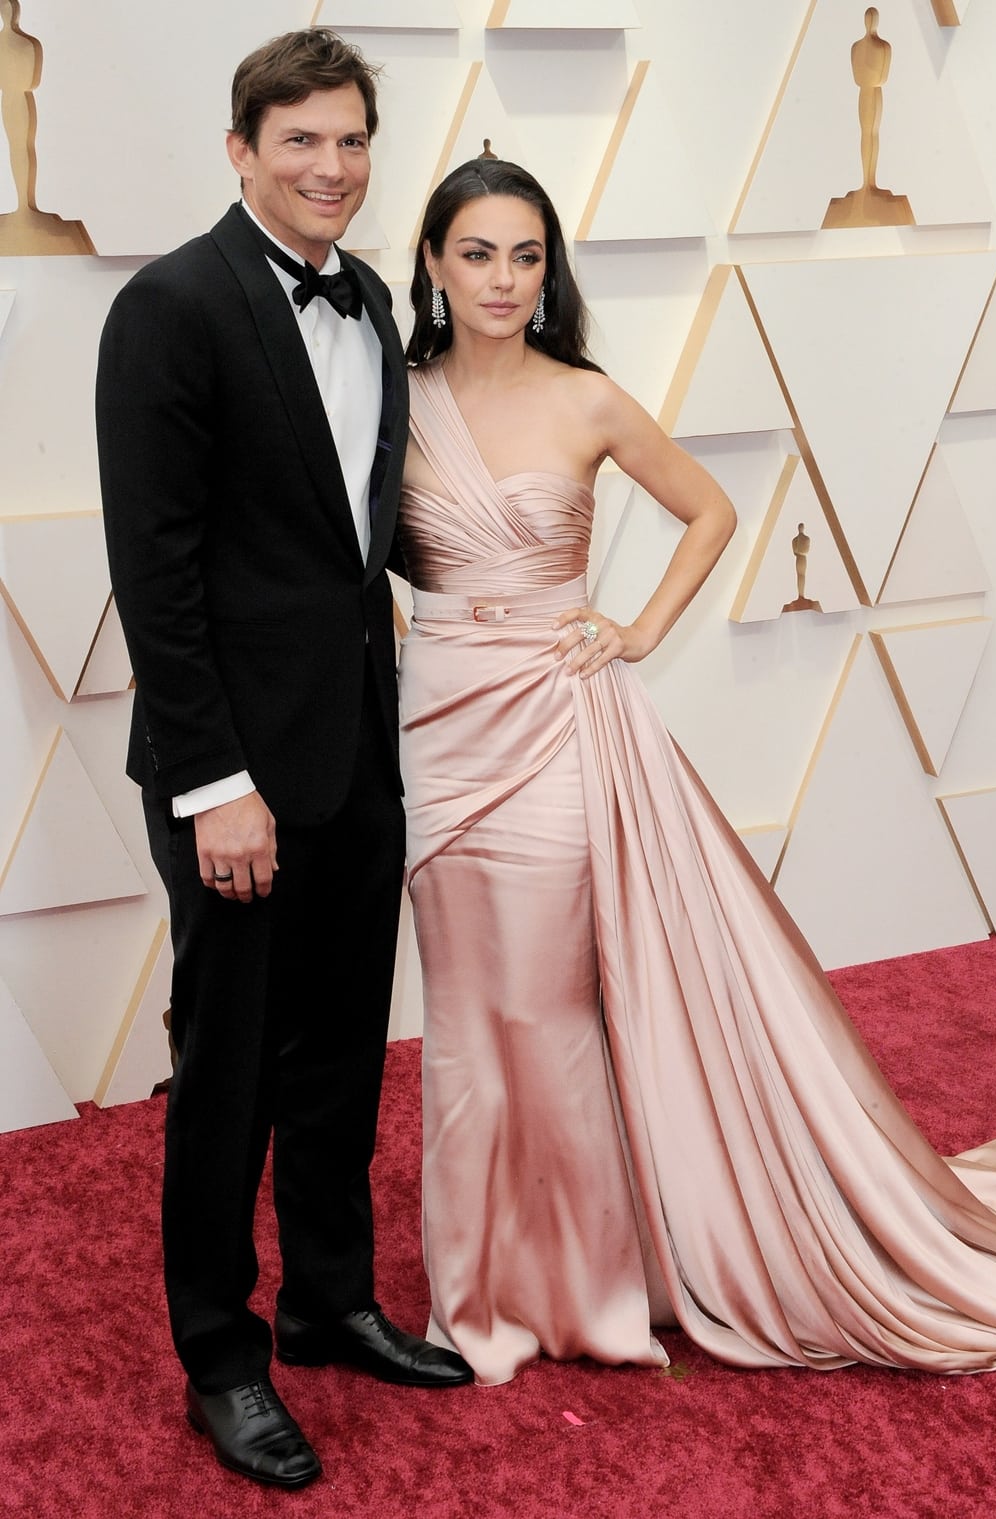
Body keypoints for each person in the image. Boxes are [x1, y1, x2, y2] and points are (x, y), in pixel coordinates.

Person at [398, 157, 996, 1389]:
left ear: (549, 271)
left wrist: (632, 629)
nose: (502, 279)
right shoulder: (397, 400)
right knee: (462, 1029)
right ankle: (473, 1288)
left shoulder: (583, 398)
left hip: (550, 724)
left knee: (543, 1010)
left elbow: (709, 511)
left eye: (525, 256)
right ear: (431, 262)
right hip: (436, 726)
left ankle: (580, 1289)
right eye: (476, 253)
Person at [96, 28, 471, 1491]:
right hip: (234, 775)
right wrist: (212, 784)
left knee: (337, 1057)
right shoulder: (170, 308)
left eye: (352, 141)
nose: (331, 168)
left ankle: (328, 1297)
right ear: (240, 148)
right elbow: (158, 568)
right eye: (300, 141)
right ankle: (223, 1354)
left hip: (355, 754)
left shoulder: (372, 299)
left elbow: (348, 545)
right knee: (232, 1070)